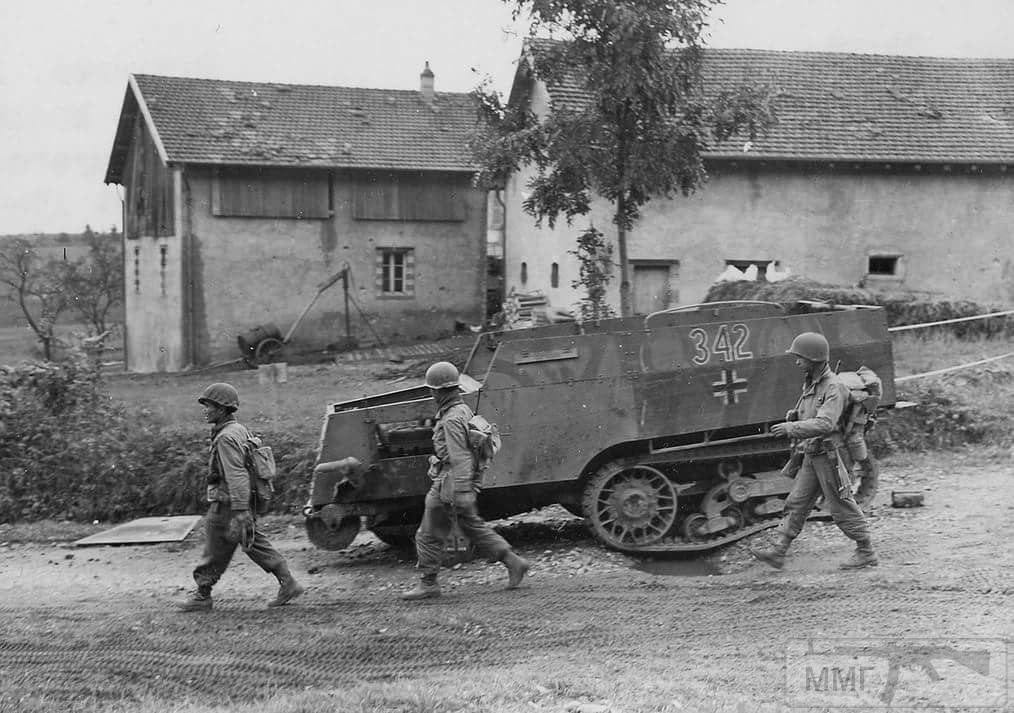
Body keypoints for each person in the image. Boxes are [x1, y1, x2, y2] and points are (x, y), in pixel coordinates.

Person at [401, 361, 531, 600]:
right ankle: (514, 562)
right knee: (472, 524)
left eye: (432, 389)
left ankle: (428, 583)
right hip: (458, 482)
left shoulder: (451, 419)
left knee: (428, 533)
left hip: (449, 484)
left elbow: (460, 458)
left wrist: (462, 492)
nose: (430, 393)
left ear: (439, 391)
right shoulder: (463, 411)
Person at [750, 333, 878, 570]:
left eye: (800, 357)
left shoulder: (834, 387)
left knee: (841, 505)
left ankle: (866, 551)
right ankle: (779, 551)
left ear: (814, 358)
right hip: (813, 452)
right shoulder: (812, 384)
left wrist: (791, 427)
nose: (797, 361)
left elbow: (826, 424)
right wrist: (795, 417)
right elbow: (811, 415)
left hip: (832, 454)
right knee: (797, 502)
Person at [179, 382, 305, 611]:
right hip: (240, 500)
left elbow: (236, 474)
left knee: (216, 543)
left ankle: (202, 595)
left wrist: (239, 509)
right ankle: (288, 583)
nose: (204, 410)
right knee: (251, 541)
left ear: (222, 409)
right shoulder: (238, 429)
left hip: (229, 503)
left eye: (208, 406)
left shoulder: (226, 437)